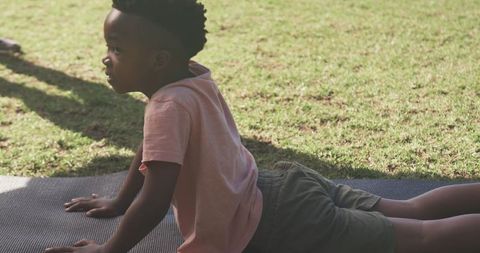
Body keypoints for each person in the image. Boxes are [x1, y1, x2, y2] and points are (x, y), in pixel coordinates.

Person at [45, 1, 480, 253]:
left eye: (116, 49)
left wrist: (108, 250)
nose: (105, 58)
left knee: (424, 237)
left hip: (277, 218)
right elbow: (152, 152)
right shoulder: (190, 76)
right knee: (415, 210)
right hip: (281, 185)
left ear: (158, 60)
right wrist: (120, 201)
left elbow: (157, 199)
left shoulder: (165, 107)